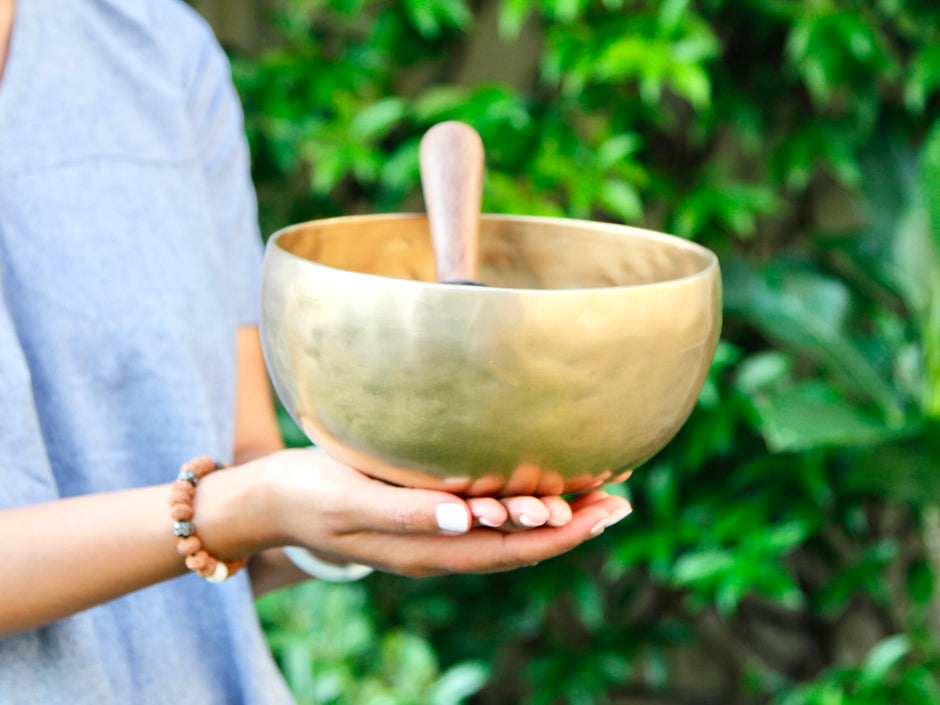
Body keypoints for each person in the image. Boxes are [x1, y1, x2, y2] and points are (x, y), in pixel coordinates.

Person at [0, 0, 632, 702]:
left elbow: (248, 483)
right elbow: (240, 502)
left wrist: (382, 492)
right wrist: (242, 507)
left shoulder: (156, 46)